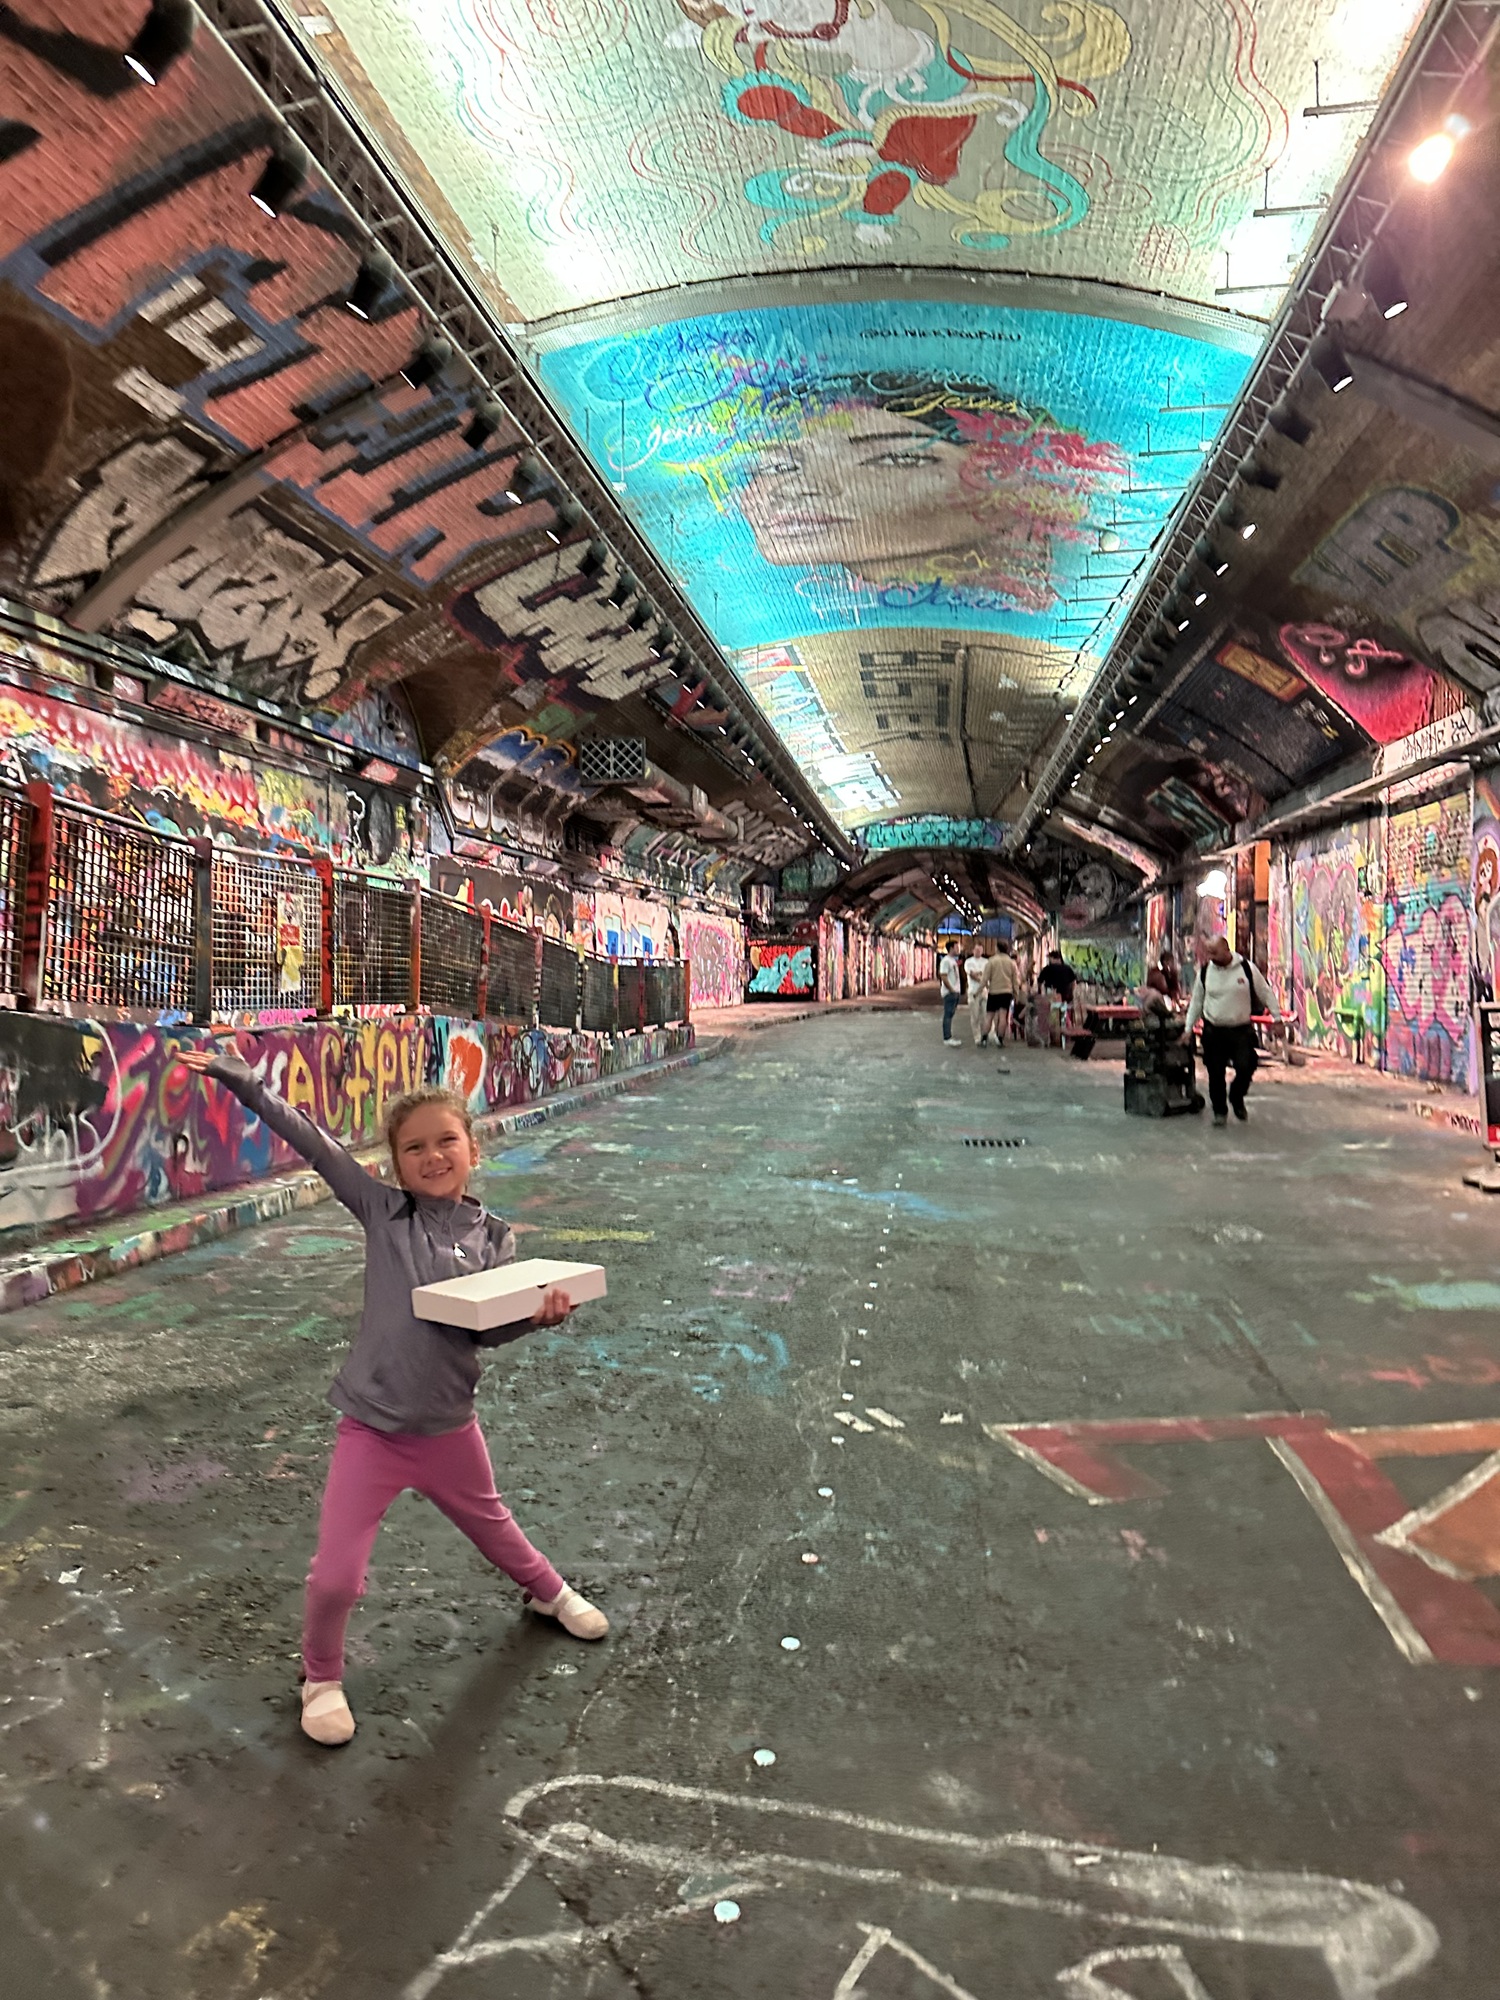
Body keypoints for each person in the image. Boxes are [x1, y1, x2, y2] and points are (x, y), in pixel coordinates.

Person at [178, 1043, 608, 1748]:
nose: (433, 1156)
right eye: (414, 1148)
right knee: (337, 1577)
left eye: (447, 1142)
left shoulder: (495, 1238)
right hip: (373, 1432)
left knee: (495, 1527)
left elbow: (482, 1334)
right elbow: (313, 1142)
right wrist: (244, 1081)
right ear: (394, 1164)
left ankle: (549, 1593)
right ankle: (320, 1677)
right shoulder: (383, 1213)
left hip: (448, 1429)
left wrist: (537, 1319)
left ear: (473, 1148)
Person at [1183, 936, 1282, 1127]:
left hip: (1240, 1030)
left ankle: (1237, 1096)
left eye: (1215, 952)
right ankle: (1220, 1111)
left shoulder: (1246, 969)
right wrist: (1188, 1029)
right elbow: (1196, 1002)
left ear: (1226, 950)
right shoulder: (1205, 972)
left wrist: (1277, 1019)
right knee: (1215, 1072)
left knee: (1247, 1065)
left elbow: (1265, 992)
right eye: (1209, 952)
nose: (1210, 957)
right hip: (1214, 1030)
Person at [983, 938, 1020, 1043]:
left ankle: (984, 1038)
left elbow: (985, 978)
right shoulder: (1011, 963)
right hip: (1006, 992)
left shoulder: (992, 961)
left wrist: (982, 989)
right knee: (1003, 1016)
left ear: (997, 949)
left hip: (994, 991)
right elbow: (1015, 981)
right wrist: (1016, 994)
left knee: (989, 1016)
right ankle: (1000, 1039)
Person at [964, 938, 991, 1046]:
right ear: (973, 950)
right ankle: (977, 1037)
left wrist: (981, 976)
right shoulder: (968, 962)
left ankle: (986, 1034)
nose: (978, 952)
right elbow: (972, 975)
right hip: (973, 992)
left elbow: (987, 974)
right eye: (976, 950)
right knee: (974, 1015)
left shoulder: (986, 962)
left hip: (985, 992)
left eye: (980, 950)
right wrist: (982, 978)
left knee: (986, 1014)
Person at [938, 941, 963, 1046]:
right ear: (951, 948)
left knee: (950, 1014)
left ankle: (948, 1036)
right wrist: (951, 989)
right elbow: (943, 976)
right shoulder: (946, 961)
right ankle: (947, 1038)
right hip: (950, 992)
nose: (959, 949)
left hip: (955, 991)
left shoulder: (952, 961)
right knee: (948, 1014)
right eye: (957, 947)